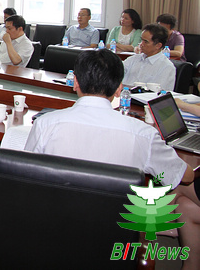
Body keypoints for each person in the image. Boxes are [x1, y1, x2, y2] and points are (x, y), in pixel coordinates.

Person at [25, 49, 200, 268]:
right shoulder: (143, 134)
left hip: (54, 223)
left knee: (185, 206)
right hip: (117, 230)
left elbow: (27, 176)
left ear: (75, 82)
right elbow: (186, 176)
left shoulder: (45, 124)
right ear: (119, 89)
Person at [121, 23, 175, 91]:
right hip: (124, 94)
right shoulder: (133, 59)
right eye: (141, 40)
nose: (141, 44)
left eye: (145, 42)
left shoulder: (166, 67)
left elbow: (161, 93)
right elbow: (117, 71)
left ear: (158, 45)